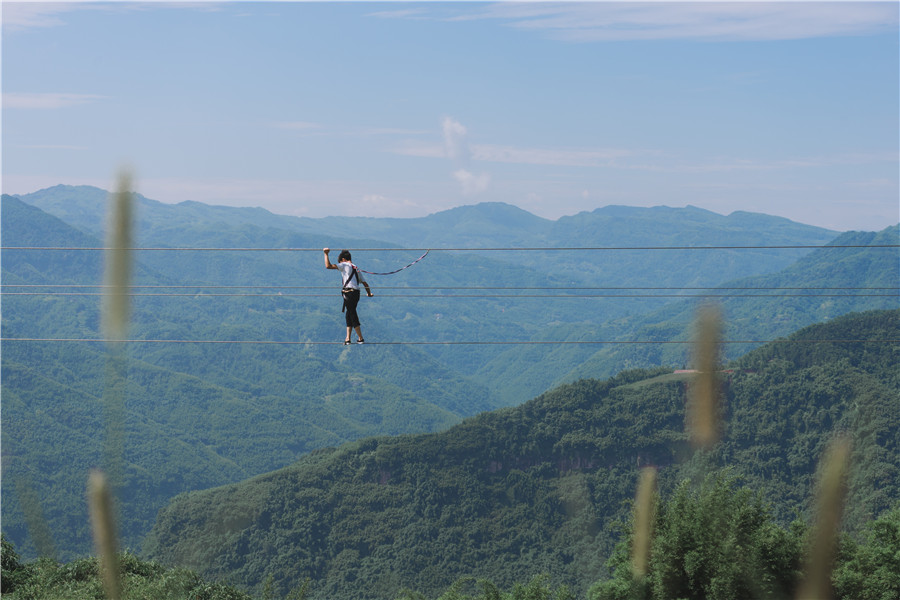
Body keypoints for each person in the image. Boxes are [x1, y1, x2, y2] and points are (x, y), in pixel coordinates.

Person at [324, 248, 373, 344]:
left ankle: (360, 338)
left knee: (352, 313)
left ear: (343, 259)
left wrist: (326, 254)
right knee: (349, 313)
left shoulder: (344, 265)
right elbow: (365, 283)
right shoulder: (355, 267)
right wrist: (369, 293)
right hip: (356, 293)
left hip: (348, 293)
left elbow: (328, 266)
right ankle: (348, 338)